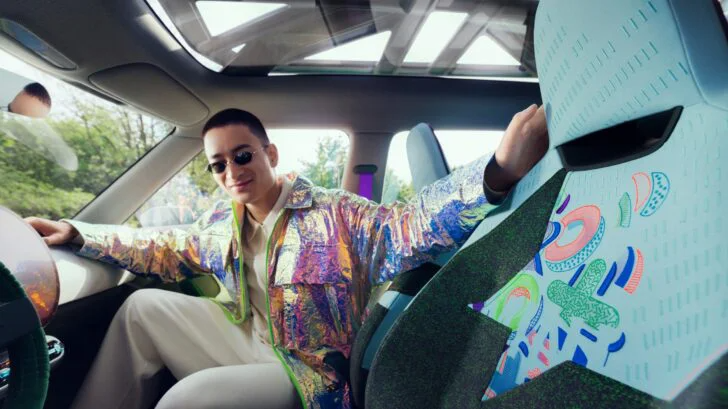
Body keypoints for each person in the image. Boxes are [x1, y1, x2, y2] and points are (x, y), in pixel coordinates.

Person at [26, 104, 549, 409]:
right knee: (142, 308)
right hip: (249, 340)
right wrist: (78, 232)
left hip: (308, 371)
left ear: (270, 154)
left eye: (242, 155)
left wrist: (499, 168)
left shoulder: (336, 212)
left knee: (185, 400)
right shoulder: (221, 222)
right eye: (218, 165)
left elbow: (409, 225)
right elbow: (163, 246)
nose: (232, 171)